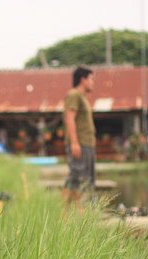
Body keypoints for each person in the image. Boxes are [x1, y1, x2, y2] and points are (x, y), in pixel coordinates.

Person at [61, 67, 96, 208]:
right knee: (75, 177)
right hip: (80, 144)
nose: (93, 83)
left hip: (88, 143)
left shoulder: (83, 97)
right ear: (83, 79)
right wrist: (75, 143)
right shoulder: (74, 94)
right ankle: (62, 213)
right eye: (91, 79)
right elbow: (69, 118)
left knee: (83, 179)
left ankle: (79, 210)